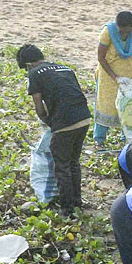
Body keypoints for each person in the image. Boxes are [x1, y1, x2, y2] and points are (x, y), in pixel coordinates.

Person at [18, 45, 91, 215]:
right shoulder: (65, 68)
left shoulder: (34, 74)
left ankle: (67, 209)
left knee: (62, 165)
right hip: (84, 117)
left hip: (65, 120)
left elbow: (39, 107)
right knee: (73, 162)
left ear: (28, 65)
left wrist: (48, 122)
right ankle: (77, 202)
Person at [95, 10, 132, 150]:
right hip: (109, 75)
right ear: (117, 27)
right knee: (106, 105)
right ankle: (99, 139)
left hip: (130, 73)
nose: (125, 35)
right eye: (122, 32)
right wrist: (115, 77)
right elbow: (101, 57)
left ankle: (127, 138)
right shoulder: (108, 32)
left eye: (128, 32)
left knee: (129, 107)